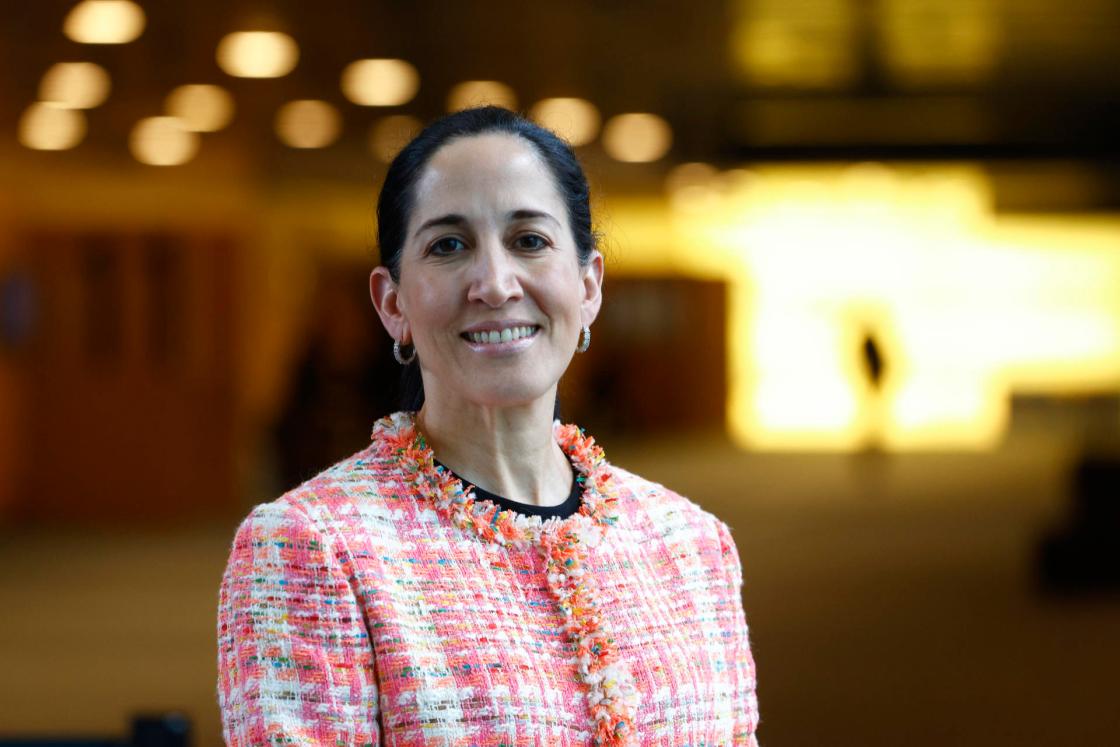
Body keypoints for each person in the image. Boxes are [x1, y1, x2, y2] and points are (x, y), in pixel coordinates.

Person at [217, 106, 760, 746]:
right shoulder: (314, 547)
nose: (496, 284)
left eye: (530, 240)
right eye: (449, 246)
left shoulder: (693, 547)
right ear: (394, 305)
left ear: (588, 286)